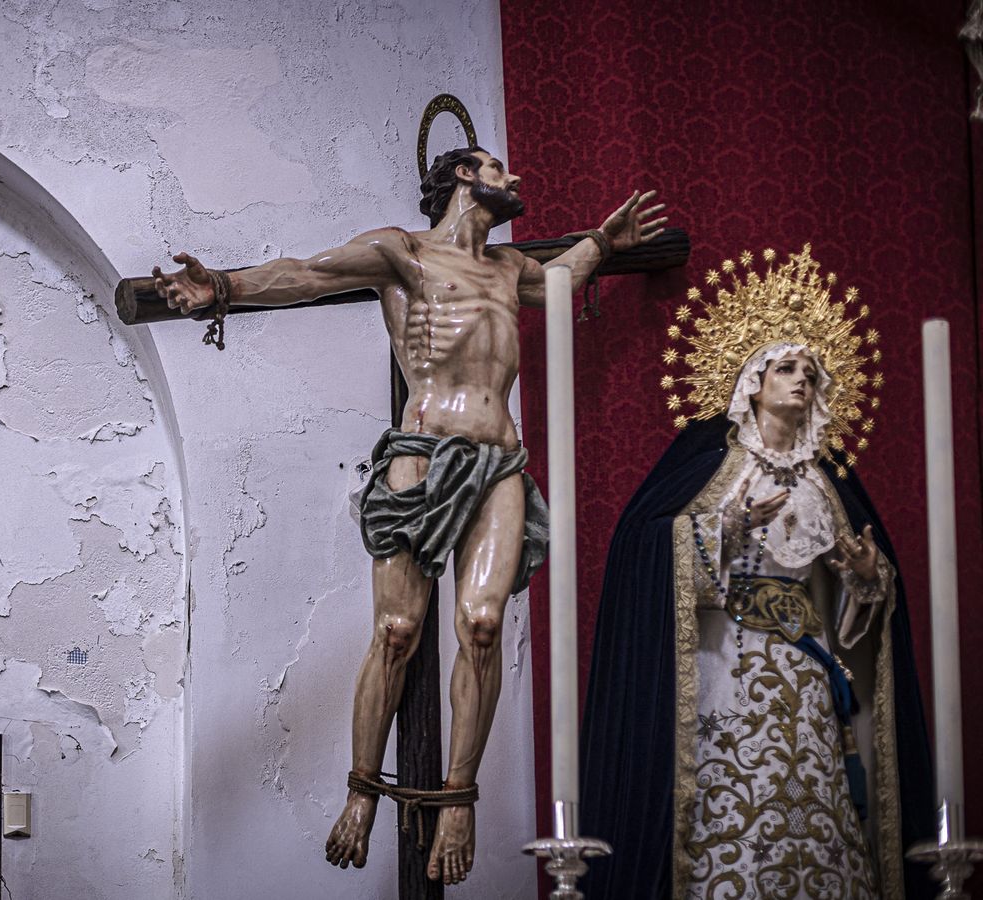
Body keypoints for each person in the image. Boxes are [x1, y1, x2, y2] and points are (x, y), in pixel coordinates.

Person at [153, 146, 666, 883]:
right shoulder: (403, 252)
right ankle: (362, 791)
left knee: (482, 626)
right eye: (497, 168)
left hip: (498, 462)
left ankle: (459, 798)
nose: (514, 178)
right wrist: (224, 287)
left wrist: (603, 244)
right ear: (462, 175)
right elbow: (308, 273)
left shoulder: (511, 269)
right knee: (396, 632)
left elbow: (565, 280)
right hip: (421, 455)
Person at [579, 248, 935, 899]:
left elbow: (864, 612)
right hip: (725, 669)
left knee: (813, 809)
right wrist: (727, 528)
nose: (802, 379)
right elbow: (644, 548)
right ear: (752, 381)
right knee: (728, 811)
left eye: (811, 371)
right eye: (788, 367)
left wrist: (866, 577)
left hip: (808, 673)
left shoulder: (828, 483)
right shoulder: (709, 468)